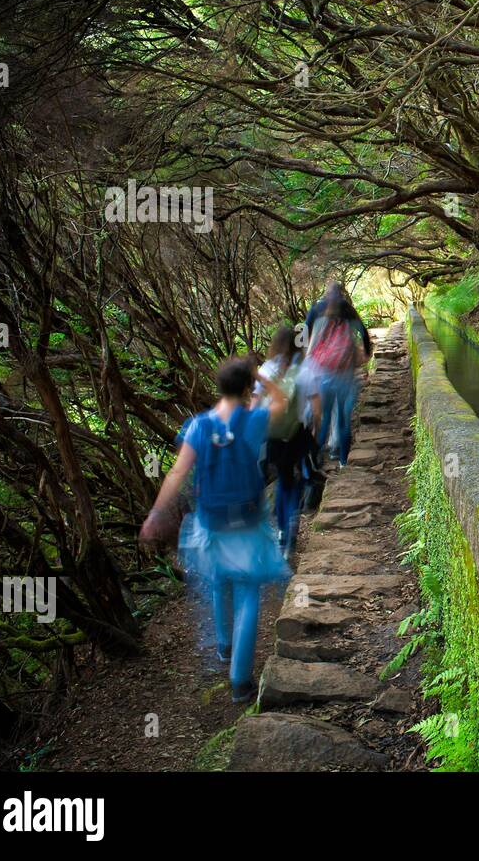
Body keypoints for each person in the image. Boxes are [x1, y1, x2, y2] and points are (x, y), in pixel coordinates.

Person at [140, 356, 292, 703]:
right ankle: (240, 681)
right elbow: (281, 401)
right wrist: (262, 379)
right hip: (248, 518)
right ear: (246, 388)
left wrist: (156, 513)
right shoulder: (253, 421)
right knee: (248, 590)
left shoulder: (197, 426)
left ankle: (224, 646)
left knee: (219, 578)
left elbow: (177, 473)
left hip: (210, 519)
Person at [255, 326, 312, 558]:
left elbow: (255, 400)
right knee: (294, 478)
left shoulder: (267, 369)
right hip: (297, 432)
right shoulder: (304, 369)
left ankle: (281, 530)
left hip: (272, 434)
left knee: (281, 479)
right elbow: (311, 405)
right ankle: (292, 518)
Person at [304, 287, 369, 468]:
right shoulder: (347, 311)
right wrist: (366, 352)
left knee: (324, 418)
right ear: (342, 295)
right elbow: (363, 332)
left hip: (324, 374)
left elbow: (305, 334)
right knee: (343, 418)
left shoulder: (317, 311)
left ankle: (315, 460)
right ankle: (343, 460)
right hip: (346, 375)